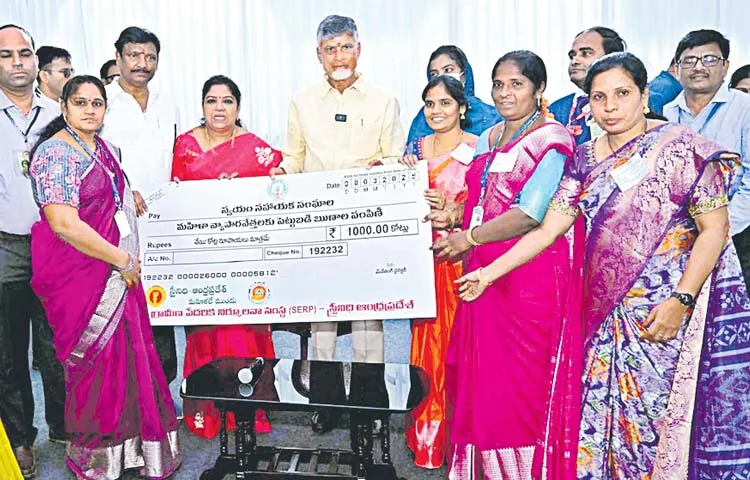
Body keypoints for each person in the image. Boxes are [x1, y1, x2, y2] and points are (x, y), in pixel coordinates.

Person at [458, 52, 750, 478]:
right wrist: (488, 273)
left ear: (644, 95)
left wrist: (680, 300)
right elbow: (548, 229)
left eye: (622, 94)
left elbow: (715, 229)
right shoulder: (584, 158)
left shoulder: (680, 147)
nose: (610, 107)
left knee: (655, 422)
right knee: (598, 425)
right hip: (600, 312)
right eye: (599, 97)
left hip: (661, 317)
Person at [28, 75, 182, 480]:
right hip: (81, 275)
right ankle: (101, 457)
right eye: (80, 102)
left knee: (129, 359)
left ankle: (133, 448)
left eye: (97, 103)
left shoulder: (107, 149)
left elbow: (108, 196)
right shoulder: (54, 153)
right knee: (96, 367)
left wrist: (126, 194)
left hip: (117, 269)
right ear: (64, 107)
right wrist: (120, 259)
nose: (90, 110)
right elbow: (63, 223)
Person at [438, 50, 578, 479]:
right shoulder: (489, 136)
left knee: (519, 384)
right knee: (480, 378)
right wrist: (452, 217)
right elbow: (481, 202)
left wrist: (469, 236)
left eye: (517, 84)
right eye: (498, 84)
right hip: (480, 268)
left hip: (526, 274)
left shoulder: (553, 139)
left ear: (539, 91)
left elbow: (531, 213)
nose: (505, 93)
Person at [270, 14, 406, 433]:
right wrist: (281, 172)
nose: (339, 56)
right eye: (330, 49)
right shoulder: (302, 101)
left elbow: (395, 157)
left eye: (346, 46)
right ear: (319, 55)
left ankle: (370, 407)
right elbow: (293, 156)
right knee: (321, 319)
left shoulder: (384, 100)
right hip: (316, 226)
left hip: (367, 227)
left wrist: (380, 165)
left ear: (358, 50)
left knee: (369, 319)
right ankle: (325, 404)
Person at [172, 75, 280, 437]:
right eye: (212, 101)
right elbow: (176, 203)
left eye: (227, 101)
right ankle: (209, 412)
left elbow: (278, 192)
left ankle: (248, 411)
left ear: (238, 106)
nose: (220, 108)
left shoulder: (255, 149)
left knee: (246, 333)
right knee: (207, 332)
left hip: (247, 257)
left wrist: (279, 181)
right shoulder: (185, 146)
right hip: (203, 259)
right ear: (202, 107)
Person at [399, 75, 477, 469]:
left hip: (462, 261)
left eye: (445, 103)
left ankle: (463, 439)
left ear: (462, 108)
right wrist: (398, 176)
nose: (437, 111)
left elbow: (485, 207)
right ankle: (428, 438)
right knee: (426, 349)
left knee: (461, 350)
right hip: (422, 263)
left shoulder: (479, 150)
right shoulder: (414, 152)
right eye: (430, 104)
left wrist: (454, 206)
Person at [0, 23, 67, 478]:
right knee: (8, 354)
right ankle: (20, 440)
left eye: (24, 53)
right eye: (6, 55)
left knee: (57, 346)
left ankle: (64, 428)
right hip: (4, 247)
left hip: (56, 245)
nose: (18, 62)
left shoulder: (58, 112)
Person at [100, 26, 179, 385]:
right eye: (134, 55)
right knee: (122, 316)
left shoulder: (167, 102)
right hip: (117, 229)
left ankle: (161, 400)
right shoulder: (100, 102)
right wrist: (121, 188)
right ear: (118, 58)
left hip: (163, 230)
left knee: (160, 313)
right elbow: (91, 158)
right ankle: (129, 405)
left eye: (149, 57)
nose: (142, 64)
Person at [664, 30, 750, 293]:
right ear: (677, 68)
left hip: (738, 234)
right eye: (689, 60)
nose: (698, 67)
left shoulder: (745, 108)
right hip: (679, 241)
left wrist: (719, 229)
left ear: (725, 66)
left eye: (710, 59)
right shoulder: (666, 113)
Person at [549, 26, 626, 144]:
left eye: (585, 54)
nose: (575, 61)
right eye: (572, 56)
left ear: (611, 58)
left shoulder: (629, 103)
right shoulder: (556, 110)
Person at [406, 45, 500, 143]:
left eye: (448, 70)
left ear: (464, 75)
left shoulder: (492, 117)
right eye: (434, 74)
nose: (441, 77)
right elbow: (413, 152)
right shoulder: (425, 116)